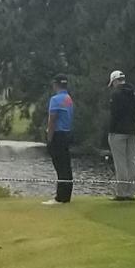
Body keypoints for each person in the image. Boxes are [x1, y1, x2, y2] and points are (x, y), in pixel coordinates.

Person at [105, 69, 135, 202]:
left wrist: (110, 130)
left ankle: (121, 193)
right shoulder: (134, 93)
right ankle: (130, 193)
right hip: (133, 131)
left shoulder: (116, 94)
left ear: (116, 81)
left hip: (118, 132)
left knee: (120, 163)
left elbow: (114, 115)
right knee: (131, 161)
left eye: (113, 83)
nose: (113, 85)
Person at [43, 75, 76, 204]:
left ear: (55, 84)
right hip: (67, 134)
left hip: (58, 135)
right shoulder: (68, 99)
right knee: (66, 166)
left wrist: (49, 139)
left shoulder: (55, 99)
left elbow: (52, 120)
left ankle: (60, 197)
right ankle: (66, 196)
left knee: (60, 167)